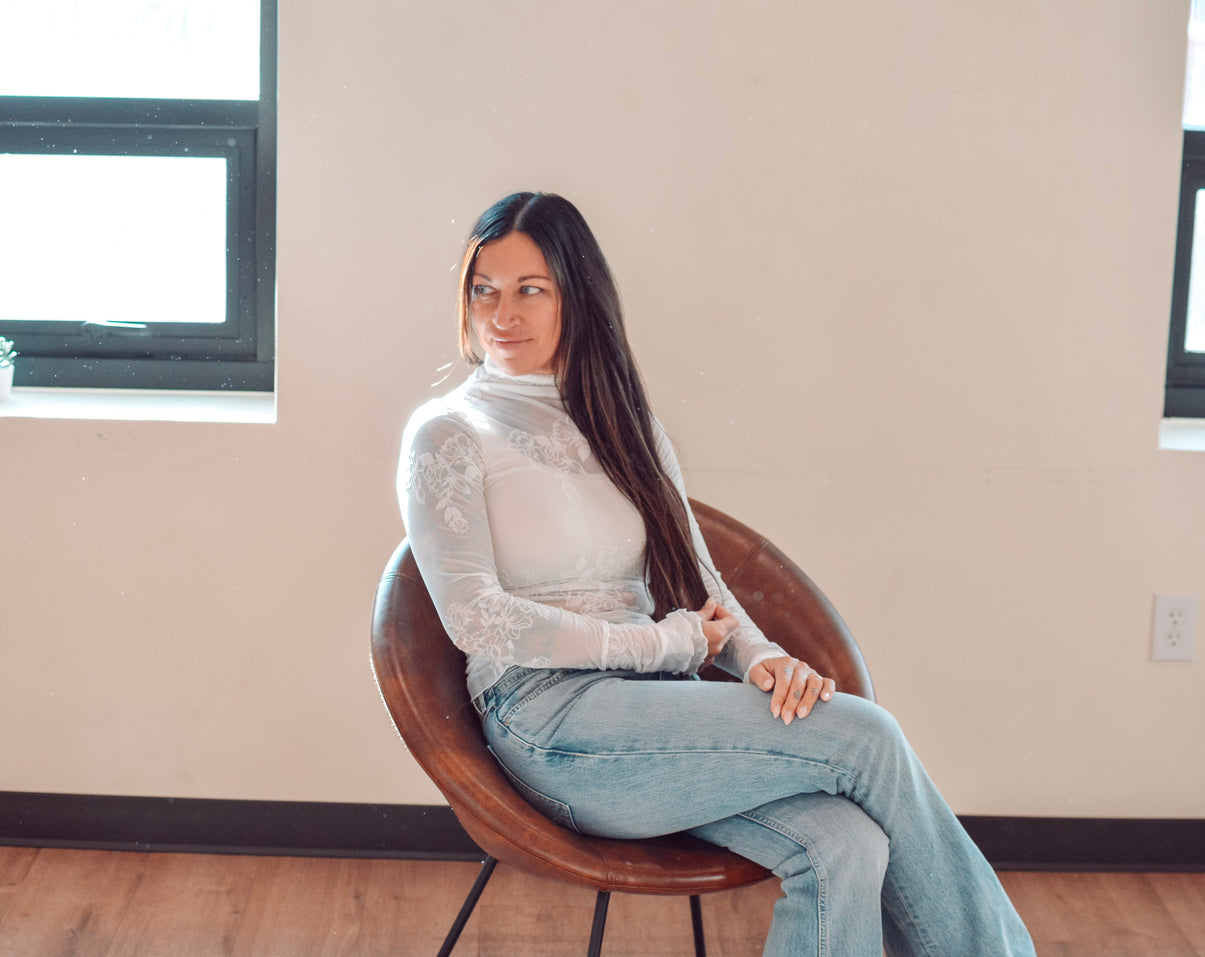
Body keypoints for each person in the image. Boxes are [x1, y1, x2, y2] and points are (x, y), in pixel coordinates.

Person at [397, 191, 1035, 957]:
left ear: (577, 296)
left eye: (529, 289)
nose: (501, 314)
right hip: (548, 724)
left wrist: (761, 658)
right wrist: (661, 646)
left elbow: (697, 580)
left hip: (656, 713)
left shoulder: (626, 424)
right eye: (483, 290)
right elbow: (475, 617)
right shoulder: (448, 432)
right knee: (866, 737)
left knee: (845, 844)